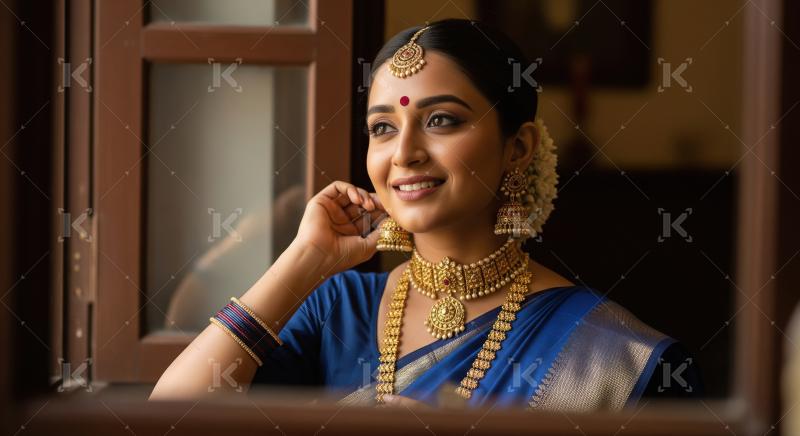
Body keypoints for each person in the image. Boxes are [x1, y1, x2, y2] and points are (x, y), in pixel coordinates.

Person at [150, 18, 701, 411]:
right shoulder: (336, 311)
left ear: (519, 147)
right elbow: (172, 420)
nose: (404, 152)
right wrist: (304, 259)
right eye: (383, 128)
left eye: (441, 121)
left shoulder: (612, 355)